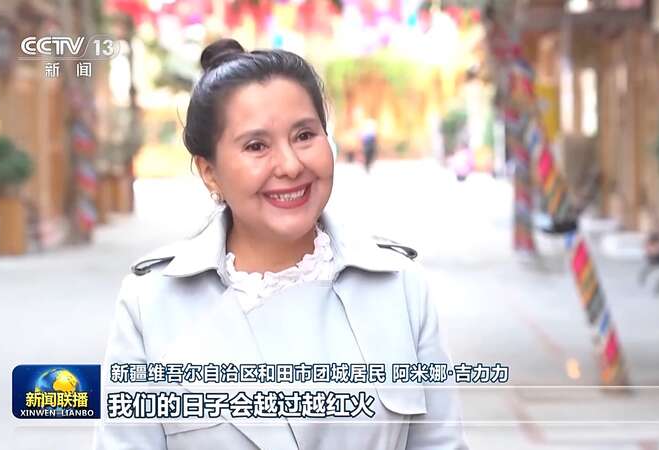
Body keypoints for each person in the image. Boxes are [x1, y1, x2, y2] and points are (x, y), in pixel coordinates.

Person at [93, 38, 468, 450]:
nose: (290, 165)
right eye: (256, 146)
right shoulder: (151, 301)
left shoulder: (400, 285)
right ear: (209, 172)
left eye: (304, 135)